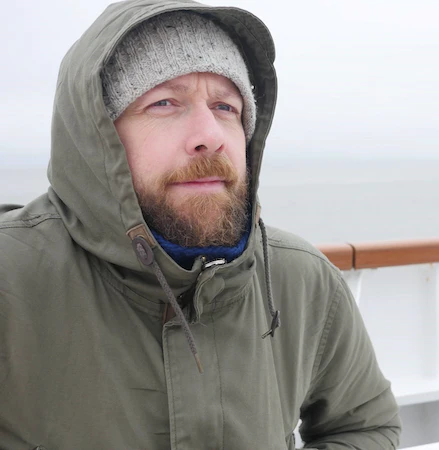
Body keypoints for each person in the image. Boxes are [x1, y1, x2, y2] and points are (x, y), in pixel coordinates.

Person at [0, 0, 401, 448]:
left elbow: (365, 426)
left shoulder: (301, 279)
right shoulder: (12, 280)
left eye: (226, 107)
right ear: (98, 135)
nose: (209, 135)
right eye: (164, 103)